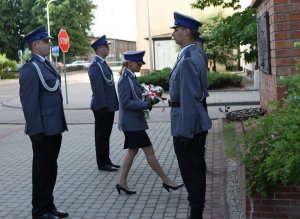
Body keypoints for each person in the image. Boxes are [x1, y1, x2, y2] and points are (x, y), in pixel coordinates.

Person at [116, 50, 183, 195]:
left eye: (141, 63)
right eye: (138, 63)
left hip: (134, 122)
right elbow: (125, 103)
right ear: (130, 63)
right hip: (131, 124)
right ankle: (166, 180)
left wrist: (154, 96)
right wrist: (145, 105)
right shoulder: (124, 80)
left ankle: (122, 182)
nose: (140, 65)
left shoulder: (131, 77)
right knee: (149, 151)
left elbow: (140, 94)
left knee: (132, 152)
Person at [19, 25, 68, 219]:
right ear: (35, 45)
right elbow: (29, 104)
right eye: (45, 41)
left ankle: (49, 205)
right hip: (42, 130)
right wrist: (35, 131)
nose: (49, 44)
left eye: (48, 40)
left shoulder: (46, 64)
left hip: (54, 127)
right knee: (41, 170)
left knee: (51, 168)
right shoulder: (30, 69)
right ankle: (39, 211)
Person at [169, 12, 212, 219]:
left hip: (188, 124)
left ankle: (196, 213)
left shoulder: (187, 58)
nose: (173, 34)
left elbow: (188, 98)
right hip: (195, 121)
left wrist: (185, 133)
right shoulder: (196, 52)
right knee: (194, 171)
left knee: (191, 173)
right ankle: (196, 207)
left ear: (186, 32)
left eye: (176, 30)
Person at [88, 35, 120, 172]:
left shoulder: (102, 64)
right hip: (102, 107)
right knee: (101, 136)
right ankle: (102, 163)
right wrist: (104, 108)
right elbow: (98, 89)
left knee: (105, 135)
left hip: (108, 106)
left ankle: (106, 160)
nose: (108, 49)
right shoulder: (96, 66)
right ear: (99, 49)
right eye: (106, 47)